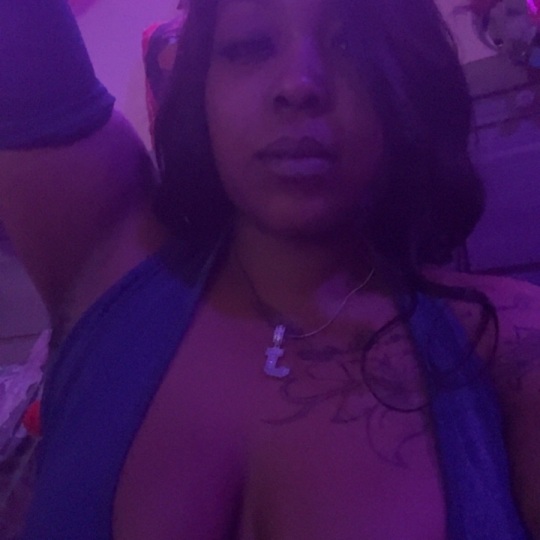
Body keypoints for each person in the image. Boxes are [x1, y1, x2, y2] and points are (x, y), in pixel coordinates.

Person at [1, 0, 540, 538]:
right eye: (250, 47)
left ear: (408, 82)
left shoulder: (511, 340)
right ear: (201, 88)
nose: (299, 85)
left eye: (350, 45)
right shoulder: (108, 249)